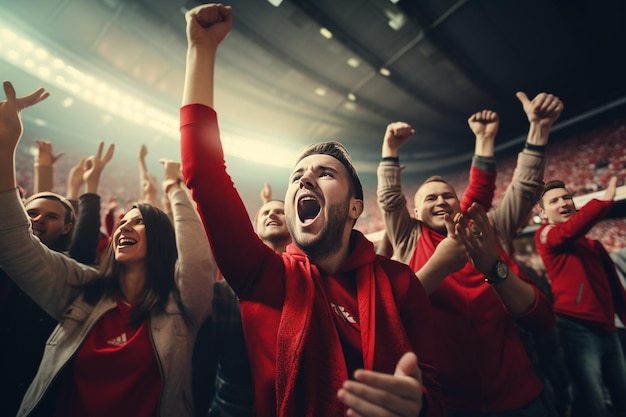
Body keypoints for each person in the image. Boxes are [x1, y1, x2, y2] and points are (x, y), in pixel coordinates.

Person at [180, 4, 444, 416]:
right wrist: (201, 51)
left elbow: (433, 389)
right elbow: (203, 173)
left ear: (356, 206)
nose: (305, 179)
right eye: (298, 175)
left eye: (324, 174)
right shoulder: (264, 276)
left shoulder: (399, 282)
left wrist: (418, 407)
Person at [0, 80, 216, 417]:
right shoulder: (81, 289)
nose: (124, 226)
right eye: (123, 222)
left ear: (161, 238)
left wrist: (174, 188)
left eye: (139, 221)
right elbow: (14, 242)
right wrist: (4, 148)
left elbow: (199, 261)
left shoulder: (183, 305)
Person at [377, 93, 563, 416]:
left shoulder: (486, 228)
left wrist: (538, 131)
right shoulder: (408, 237)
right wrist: (390, 151)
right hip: (452, 404)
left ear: (457, 202)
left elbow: (523, 188)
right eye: (430, 198)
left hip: (518, 395)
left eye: (447, 195)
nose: (440, 201)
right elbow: (391, 198)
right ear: (417, 211)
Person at [536, 177, 626, 417]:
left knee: (622, 393)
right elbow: (566, 232)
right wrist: (603, 201)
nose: (563, 203)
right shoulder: (545, 236)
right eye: (554, 201)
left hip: (608, 327)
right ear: (542, 212)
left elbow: (614, 287)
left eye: (566, 198)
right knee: (592, 399)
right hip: (576, 327)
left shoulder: (593, 245)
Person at [205, 193, 292, 417]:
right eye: (265, 212)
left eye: (280, 211)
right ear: (254, 230)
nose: (272, 213)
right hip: (230, 408)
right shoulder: (222, 292)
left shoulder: (312, 284)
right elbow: (204, 363)